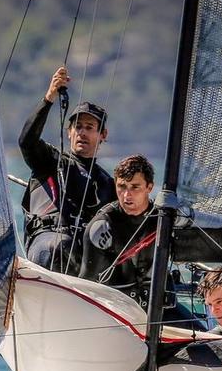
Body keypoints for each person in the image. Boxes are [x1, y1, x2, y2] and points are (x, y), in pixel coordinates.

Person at [19, 66, 115, 274]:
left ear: (102, 135)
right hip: (48, 242)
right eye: (78, 127)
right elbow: (27, 141)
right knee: (60, 247)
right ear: (69, 132)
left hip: (84, 254)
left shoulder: (107, 183)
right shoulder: (50, 160)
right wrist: (49, 98)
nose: (82, 132)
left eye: (89, 128)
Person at [79, 154, 158, 307]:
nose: (127, 195)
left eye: (135, 187)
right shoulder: (101, 227)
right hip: (116, 308)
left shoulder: (163, 219)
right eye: (122, 187)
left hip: (155, 305)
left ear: (149, 187)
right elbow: (86, 285)